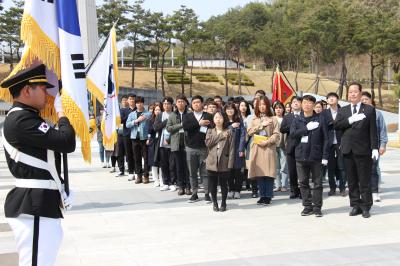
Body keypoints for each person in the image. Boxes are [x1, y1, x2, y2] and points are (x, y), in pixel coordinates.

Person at [1, 64, 75, 266]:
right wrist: (62, 113)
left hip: (40, 202)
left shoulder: (26, 117)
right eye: (42, 88)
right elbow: (66, 141)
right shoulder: (22, 119)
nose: (47, 93)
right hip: (33, 205)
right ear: (27, 90)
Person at [334, 82, 378, 218]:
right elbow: (337, 126)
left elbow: (373, 131)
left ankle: (365, 206)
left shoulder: (369, 109)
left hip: (363, 150)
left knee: (364, 180)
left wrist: (374, 148)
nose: (352, 94)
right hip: (348, 150)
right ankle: (355, 205)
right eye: (350, 92)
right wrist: (350, 120)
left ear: (360, 93)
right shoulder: (343, 110)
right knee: (352, 181)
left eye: (355, 91)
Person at [290, 95, 329, 217]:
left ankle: (317, 207)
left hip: (316, 155)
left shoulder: (320, 119)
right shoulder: (297, 119)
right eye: (305, 102)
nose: (307, 104)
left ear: (313, 105)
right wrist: (306, 128)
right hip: (301, 155)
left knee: (317, 183)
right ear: (301, 104)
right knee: (303, 182)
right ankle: (307, 206)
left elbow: (326, 139)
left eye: (310, 102)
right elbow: (293, 134)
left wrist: (325, 156)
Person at [247, 96, 280, 205]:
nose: (262, 106)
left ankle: (268, 196)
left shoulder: (273, 119)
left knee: (269, 172)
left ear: (268, 105)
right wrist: (261, 125)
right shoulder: (254, 119)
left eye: (264, 104)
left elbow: (276, 134)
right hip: (257, 147)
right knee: (260, 172)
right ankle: (262, 195)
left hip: (268, 147)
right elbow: (250, 132)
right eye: (259, 104)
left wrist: (268, 141)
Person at [182, 95, 213, 203]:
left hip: (204, 148)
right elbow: (185, 127)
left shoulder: (208, 115)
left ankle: (207, 194)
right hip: (191, 148)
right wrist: (198, 123)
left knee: (205, 172)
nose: (196, 104)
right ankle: (194, 193)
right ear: (192, 105)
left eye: (198, 102)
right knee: (192, 172)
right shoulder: (187, 116)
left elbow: (212, 128)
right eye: (194, 102)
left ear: (202, 104)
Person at [361, 91, 388, 202]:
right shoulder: (357, 113)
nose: (364, 101)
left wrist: (382, 145)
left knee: (373, 169)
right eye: (361, 100)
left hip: (374, 147)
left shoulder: (377, 114)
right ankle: (362, 192)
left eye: (366, 99)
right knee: (361, 170)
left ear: (371, 101)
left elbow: (382, 131)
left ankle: (374, 192)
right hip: (360, 147)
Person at [205, 111, 235, 212]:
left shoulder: (229, 131)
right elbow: (208, 143)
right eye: (216, 117)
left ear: (224, 119)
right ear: (213, 119)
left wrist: (230, 163)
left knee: (223, 184)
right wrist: (221, 135)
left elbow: (232, 149)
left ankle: (223, 202)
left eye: (220, 117)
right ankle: (214, 202)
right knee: (212, 184)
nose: (218, 119)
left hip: (224, 161)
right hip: (212, 162)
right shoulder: (210, 131)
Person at [322, 92, 346, 196]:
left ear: (337, 99)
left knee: (342, 166)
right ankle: (332, 188)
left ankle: (342, 188)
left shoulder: (343, 111)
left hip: (341, 142)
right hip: (329, 142)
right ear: (327, 100)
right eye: (329, 98)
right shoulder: (324, 113)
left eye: (333, 97)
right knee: (330, 167)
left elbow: (346, 126)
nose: (331, 99)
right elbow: (323, 128)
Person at [167, 94, 191, 196]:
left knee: (187, 166)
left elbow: (193, 126)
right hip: (176, 144)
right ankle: (180, 186)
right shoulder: (172, 115)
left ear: (186, 102)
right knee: (179, 166)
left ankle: (188, 186)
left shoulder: (190, 114)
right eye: (178, 101)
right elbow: (169, 128)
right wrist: (181, 125)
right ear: (176, 104)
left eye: (182, 101)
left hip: (188, 143)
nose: (180, 103)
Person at [280, 96, 302, 199]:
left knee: (303, 171)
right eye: (294, 102)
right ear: (291, 105)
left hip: (303, 147)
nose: (296, 103)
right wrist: (293, 125)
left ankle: (303, 191)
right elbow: (282, 129)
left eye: (298, 101)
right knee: (292, 171)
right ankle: (293, 190)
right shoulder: (288, 117)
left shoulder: (305, 115)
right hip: (291, 147)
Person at [126, 96, 151, 184]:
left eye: (140, 102)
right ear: (135, 104)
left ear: (143, 103)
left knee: (146, 158)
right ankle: (139, 176)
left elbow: (150, 126)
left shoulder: (148, 114)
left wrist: (149, 137)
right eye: (137, 103)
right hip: (134, 138)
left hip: (144, 138)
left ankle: (146, 176)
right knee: (137, 158)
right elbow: (127, 125)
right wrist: (136, 121)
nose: (139, 104)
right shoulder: (132, 114)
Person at [224, 103, 246, 199]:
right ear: (225, 110)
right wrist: (231, 127)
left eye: (231, 109)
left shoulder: (239, 120)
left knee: (238, 171)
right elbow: (222, 133)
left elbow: (242, 135)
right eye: (228, 109)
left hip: (237, 149)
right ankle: (230, 189)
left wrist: (241, 149)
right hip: (226, 150)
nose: (230, 110)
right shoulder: (223, 121)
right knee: (229, 171)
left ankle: (237, 190)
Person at [154, 97, 176, 191]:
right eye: (164, 104)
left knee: (172, 164)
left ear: (172, 105)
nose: (166, 105)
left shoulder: (175, 114)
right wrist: (165, 122)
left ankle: (172, 182)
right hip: (162, 143)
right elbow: (155, 127)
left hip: (173, 142)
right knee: (164, 163)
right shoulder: (160, 115)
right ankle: (165, 182)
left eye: (168, 103)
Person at [273, 101, 288, 192]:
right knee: (276, 166)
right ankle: (277, 185)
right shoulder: (272, 119)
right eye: (276, 108)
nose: (278, 110)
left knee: (284, 166)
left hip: (284, 144)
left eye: (280, 108)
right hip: (274, 145)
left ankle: (284, 185)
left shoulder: (286, 118)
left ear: (283, 109)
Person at [147, 103, 163, 187]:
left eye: (159, 110)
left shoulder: (163, 118)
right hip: (153, 141)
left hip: (161, 141)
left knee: (161, 161)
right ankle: (155, 179)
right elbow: (149, 131)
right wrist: (148, 139)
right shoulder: (150, 119)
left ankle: (161, 179)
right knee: (153, 161)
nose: (157, 111)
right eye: (156, 110)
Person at [120, 94, 136, 180]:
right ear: (128, 101)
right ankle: (130, 172)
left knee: (136, 154)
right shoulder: (124, 110)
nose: (132, 101)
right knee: (129, 154)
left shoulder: (138, 109)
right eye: (130, 99)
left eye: (133, 99)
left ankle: (137, 171)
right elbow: (121, 120)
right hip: (127, 134)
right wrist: (131, 115)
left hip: (136, 134)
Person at [115, 95, 128, 177]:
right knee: (120, 152)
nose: (125, 101)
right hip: (120, 133)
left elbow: (122, 120)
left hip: (128, 134)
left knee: (129, 152)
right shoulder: (118, 110)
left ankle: (130, 169)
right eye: (123, 100)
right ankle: (121, 169)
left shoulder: (130, 110)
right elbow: (119, 120)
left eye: (126, 100)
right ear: (121, 102)